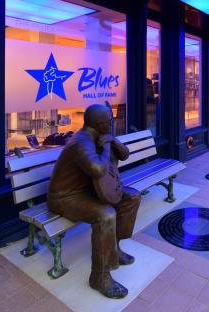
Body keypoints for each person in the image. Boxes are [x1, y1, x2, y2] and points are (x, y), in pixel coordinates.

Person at [47, 104, 141, 299]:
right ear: (99, 124)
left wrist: (112, 140)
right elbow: (98, 169)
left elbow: (125, 154)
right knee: (105, 215)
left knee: (131, 196)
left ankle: (114, 247)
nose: (113, 122)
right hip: (65, 197)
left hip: (85, 190)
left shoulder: (99, 135)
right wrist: (106, 146)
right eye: (110, 122)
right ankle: (100, 276)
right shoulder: (81, 142)